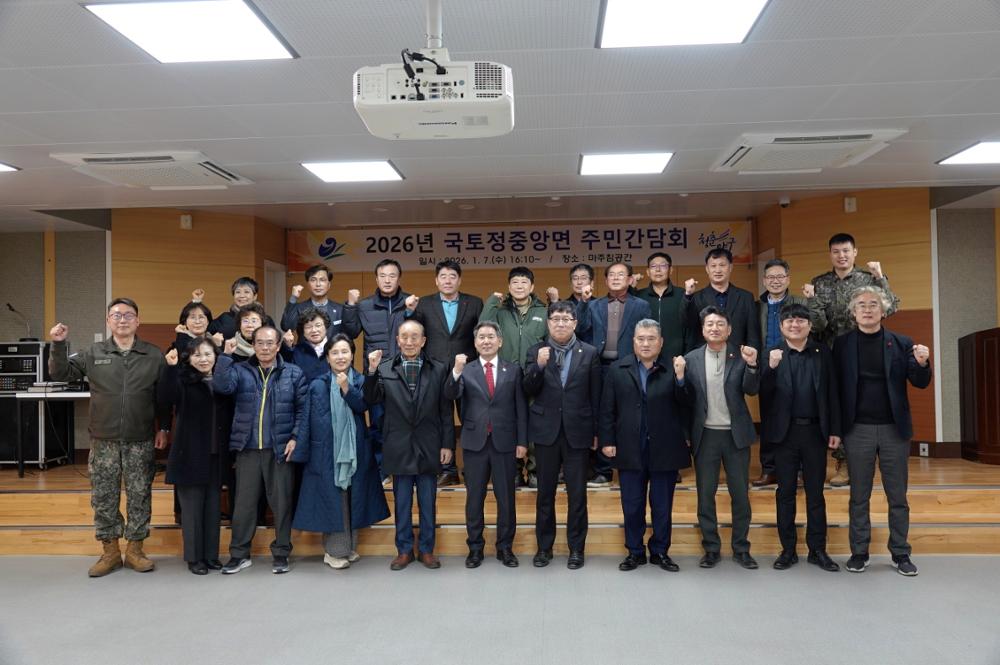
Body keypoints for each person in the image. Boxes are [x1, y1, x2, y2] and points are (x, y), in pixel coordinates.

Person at [48, 298, 167, 577]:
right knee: (104, 497)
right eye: (116, 315)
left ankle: (135, 550)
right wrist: (58, 344)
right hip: (103, 440)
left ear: (137, 321)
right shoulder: (94, 352)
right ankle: (110, 552)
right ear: (108, 321)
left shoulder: (153, 355)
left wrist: (164, 428)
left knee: (140, 495)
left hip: (140, 439)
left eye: (128, 315)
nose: (122, 320)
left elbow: (163, 397)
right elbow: (60, 373)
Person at [834, 286, 931, 576]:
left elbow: (920, 381)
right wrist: (836, 429)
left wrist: (922, 363)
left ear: (884, 310)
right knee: (858, 495)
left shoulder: (901, 343)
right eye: (861, 305)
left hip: (894, 429)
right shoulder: (841, 344)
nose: (867, 309)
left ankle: (900, 552)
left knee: (897, 496)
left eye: (873, 304)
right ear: (853, 313)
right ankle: (859, 552)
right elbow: (834, 389)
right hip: (857, 429)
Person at [214, 325, 308, 575]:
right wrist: (225, 356)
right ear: (253, 345)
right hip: (247, 448)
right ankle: (239, 554)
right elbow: (221, 387)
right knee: (243, 505)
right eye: (259, 343)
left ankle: (281, 552)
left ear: (278, 346)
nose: (265, 348)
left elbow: (303, 410)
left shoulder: (293, 373)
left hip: (280, 449)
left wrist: (295, 437)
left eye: (269, 343)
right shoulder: (240, 370)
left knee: (282, 504)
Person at [291, 334, 389, 569]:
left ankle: (348, 548)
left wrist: (346, 387)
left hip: (356, 450)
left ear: (352, 354)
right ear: (327, 358)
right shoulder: (318, 384)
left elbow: (364, 404)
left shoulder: (361, 380)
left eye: (345, 351)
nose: (340, 357)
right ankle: (334, 552)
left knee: (353, 499)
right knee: (335, 501)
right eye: (334, 352)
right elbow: (306, 419)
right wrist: (299, 446)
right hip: (326, 451)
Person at [363, 320, 456, 570]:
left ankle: (426, 550)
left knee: (428, 502)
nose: (409, 341)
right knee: (402, 502)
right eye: (404, 337)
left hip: (429, 444)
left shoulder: (439, 368)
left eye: (415, 337)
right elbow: (370, 398)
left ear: (423, 341)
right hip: (398, 444)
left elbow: (446, 411)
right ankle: (404, 550)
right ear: (397, 340)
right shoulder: (384, 368)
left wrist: (447, 445)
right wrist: (371, 370)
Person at [811, 233, 901, 488]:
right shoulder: (819, 283)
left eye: (846, 251)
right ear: (830, 254)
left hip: (863, 352)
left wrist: (880, 277)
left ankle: (851, 462)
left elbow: (890, 307)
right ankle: (835, 459)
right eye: (836, 251)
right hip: (830, 353)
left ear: (855, 252)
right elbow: (817, 324)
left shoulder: (869, 278)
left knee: (857, 404)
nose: (841, 256)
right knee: (834, 404)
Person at [600, 320, 690, 573]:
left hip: (665, 447)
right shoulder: (618, 369)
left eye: (651, 339)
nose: (646, 343)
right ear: (633, 342)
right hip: (629, 446)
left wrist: (681, 378)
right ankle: (635, 551)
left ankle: (660, 551)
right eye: (641, 339)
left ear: (661, 343)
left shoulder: (674, 368)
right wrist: (607, 440)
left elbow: (687, 406)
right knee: (632, 504)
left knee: (662, 505)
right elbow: (607, 408)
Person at [675, 306, 760, 570]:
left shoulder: (741, 354)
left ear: (729, 329)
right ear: (702, 330)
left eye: (720, 324)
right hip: (705, 435)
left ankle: (741, 548)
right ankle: (711, 548)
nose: (715, 328)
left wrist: (752, 365)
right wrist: (680, 378)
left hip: (736, 435)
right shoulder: (691, 358)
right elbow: (684, 401)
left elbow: (751, 390)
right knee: (705, 494)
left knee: (740, 495)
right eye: (709, 324)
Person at [759, 304, 841, 572]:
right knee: (785, 493)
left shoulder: (822, 352)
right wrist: (770, 368)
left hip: (815, 432)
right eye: (790, 321)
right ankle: (788, 550)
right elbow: (761, 393)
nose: (795, 325)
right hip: (784, 434)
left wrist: (835, 429)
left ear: (809, 325)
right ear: (781, 326)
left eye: (800, 321)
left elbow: (832, 392)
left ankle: (818, 550)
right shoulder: (772, 353)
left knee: (816, 493)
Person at [523, 301, 601, 569]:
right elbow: (527, 388)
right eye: (555, 319)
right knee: (545, 494)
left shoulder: (589, 352)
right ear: (548, 323)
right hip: (546, 432)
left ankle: (576, 549)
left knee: (577, 495)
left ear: (575, 323)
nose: (560, 323)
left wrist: (596, 432)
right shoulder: (536, 351)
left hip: (578, 431)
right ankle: (544, 548)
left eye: (566, 319)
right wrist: (539, 366)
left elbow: (596, 395)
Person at [444, 322, 527, 568]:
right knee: (474, 499)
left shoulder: (513, 370)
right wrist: (456, 371)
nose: (486, 341)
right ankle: (475, 549)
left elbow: (521, 408)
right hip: (474, 443)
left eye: (491, 336)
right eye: (481, 337)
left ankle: (505, 548)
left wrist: (522, 441)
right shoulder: (465, 370)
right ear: (475, 342)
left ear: (500, 341)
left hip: (505, 442)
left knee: (506, 499)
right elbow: (450, 394)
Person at [157, 337, 233, 575]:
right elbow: (165, 398)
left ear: (215, 357)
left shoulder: (221, 381)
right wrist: (170, 369)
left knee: (212, 509)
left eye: (208, 354)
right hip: (189, 454)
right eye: (197, 355)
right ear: (188, 358)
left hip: (215, 455)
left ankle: (211, 556)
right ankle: (194, 558)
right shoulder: (183, 380)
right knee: (191, 511)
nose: (203, 359)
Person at [406, 259, 483, 486]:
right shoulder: (424, 304)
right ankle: (448, 470)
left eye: (452, 276)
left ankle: (473, 468)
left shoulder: (474, 303)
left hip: (467, 369)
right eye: (443, 276)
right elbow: (415, 332)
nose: (448, 280)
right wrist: (409, 312)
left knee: (471, 417)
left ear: (459, 280)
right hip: (435, 370)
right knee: (442, 418)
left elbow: (481, 335)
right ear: (436, 280)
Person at [576, 262, 652, 486]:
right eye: (611, 275)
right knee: (604, 416)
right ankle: (604, 470)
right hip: (601, 367)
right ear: (606, 280)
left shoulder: (641, 305)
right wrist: (583, 302)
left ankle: (635, 464)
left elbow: (648, 335)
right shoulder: (594, 304)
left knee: (631, 415)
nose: (616, 278)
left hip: (630, 366)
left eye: (621, 274)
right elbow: (580, 329)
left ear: (630, 279)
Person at [753, 258, 825, 487]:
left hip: (797, 360)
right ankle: (769, 468)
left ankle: (800, 469)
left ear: (788, 279)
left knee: (797, 416)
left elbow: (820, 325)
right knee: (768, 417)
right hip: (769, 363)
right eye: (771, 277)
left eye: (780, 277)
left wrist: (813, 300)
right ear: (764, 280)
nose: (775, 281)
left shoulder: (800, 302)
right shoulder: (757, 306)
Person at [480, 267, 548, 487]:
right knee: (508, 424)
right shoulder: (500, 312)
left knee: (536, 423)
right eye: (515, 282)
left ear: (532, 286)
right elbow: (482, 328)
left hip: (535, 375)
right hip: (506, 376)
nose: (519, 286)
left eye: (524, 282)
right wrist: (492, 302)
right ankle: (515, 470)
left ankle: (535, 470)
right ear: (509, 287)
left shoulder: (543, 311)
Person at [682, 248, 760, 353]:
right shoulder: (696, 297)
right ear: (707, 269)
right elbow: (687, 323)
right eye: (713, 266)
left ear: (730, 267)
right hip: (705, 356)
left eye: (722, 265)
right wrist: (688, 295)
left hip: (738, 356)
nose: (718, 270)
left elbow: (753, 335)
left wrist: (752, 356)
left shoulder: (746, 297)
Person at [342, 258, 411, 360]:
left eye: (392, 276)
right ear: (377, 280)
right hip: (375, 365)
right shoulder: (364, 305)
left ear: (399, 279)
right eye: (382, 276)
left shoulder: (410, 302)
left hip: (405, 363)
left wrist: (411, 311)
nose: (387, 281)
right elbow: (350, 334)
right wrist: (351, 306)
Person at [632, 252, 686, 361]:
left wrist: (686, 355)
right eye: (653, 266)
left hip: (676, 357)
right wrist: (631, 289)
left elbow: (690, 329)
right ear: (648, 272)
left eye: (663, 266)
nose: (658, 270)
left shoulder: (683, 295)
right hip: (645, 357)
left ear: (671, 270)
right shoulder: (638, 296)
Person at [281, 264, 343, 340]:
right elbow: (287, 327)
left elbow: (350, 334)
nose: (318, 284)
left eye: (322, 280)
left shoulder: (340, 309)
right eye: (313, 280)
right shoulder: (299, 308)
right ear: (308, 284)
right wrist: (294, 297)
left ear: (329, 285)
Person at [208, 276, 275, 340]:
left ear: (255, 296)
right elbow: (206, 334)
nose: (242, 296)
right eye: (238, 292)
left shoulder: (266, 319)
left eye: (246, 292)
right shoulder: (224, 318)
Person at [280, 307, 332, 382]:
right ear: (303, 332)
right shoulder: (296, 352)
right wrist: (286, 347)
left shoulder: (335, 348)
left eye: (318, 325)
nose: (314, 330)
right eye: (308, 327)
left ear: (326, 327)